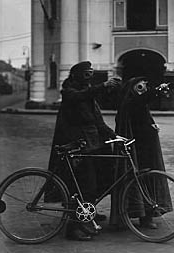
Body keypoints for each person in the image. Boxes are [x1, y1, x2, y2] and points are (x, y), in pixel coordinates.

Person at [47, 61, 121, 241]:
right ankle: (73, 229)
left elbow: (98, 121)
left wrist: (115, 135)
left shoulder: (87, 94)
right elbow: (80, 96)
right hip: (77, 146)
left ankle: (87, 213)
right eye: (86, 74)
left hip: (92, 144)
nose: (89, 77)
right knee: (81, 186)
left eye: (91, 74)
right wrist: (102, 86)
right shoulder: (70, 92)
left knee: (102, 180)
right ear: (75, 75)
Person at [110, 76, 172, 229]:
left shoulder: (139, 102)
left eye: (144, 86)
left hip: (147, 148)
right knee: (136, 179)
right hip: (135, 149)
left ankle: (148, 216)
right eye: (140, 86)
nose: (143, 89)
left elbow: (144, 113)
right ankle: (134, 214)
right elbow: (139, 103)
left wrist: (152, 124)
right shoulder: (129, 102)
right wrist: (156, 91)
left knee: (149, 179)